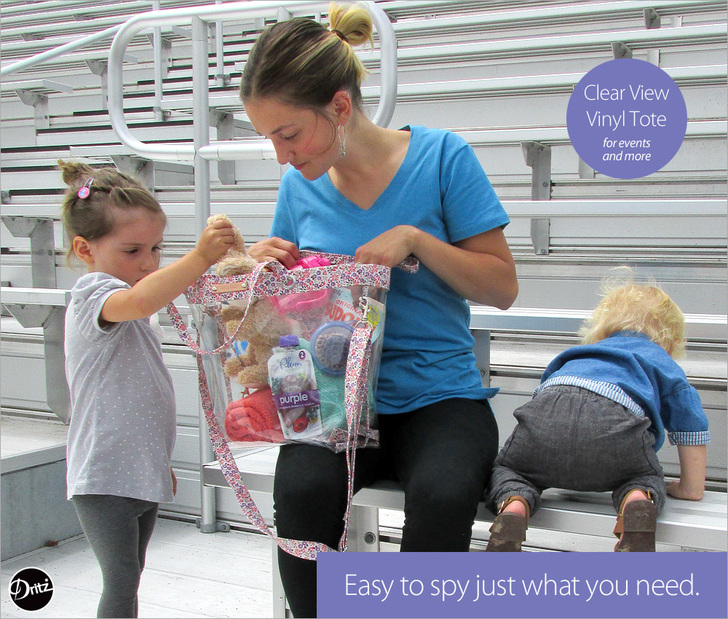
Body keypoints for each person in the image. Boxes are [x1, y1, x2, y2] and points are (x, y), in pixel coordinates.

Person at [239, 3, 518, 616]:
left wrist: (417, 240)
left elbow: (502, 287)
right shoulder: (298, 185)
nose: (282, 156)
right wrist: (262, 269)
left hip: (439, 397)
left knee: (443, 497)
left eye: (289, 134)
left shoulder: (443, 158)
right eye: (269, 140)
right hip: (335, 400)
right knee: (302, 493)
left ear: (340, 107)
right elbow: (285, 319)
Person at [60, 160, 235, 617]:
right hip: (103, 475)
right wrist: (198, 258)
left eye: (156, 248)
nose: (148, 262)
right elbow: (142, 299)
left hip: (137, 470)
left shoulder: (128, 302)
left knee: (131, 575)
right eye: (132, 250)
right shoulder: (93, 296)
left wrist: (156, 462)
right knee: (120, 581)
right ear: (85, 249)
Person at [484, 275, 710, 553]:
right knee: (644, 480)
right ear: (670, 340)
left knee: (510, 472)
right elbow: (690, 423)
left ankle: (514, 506)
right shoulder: (660, 359)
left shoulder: (579, 353)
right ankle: (637, 502)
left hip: (546, 420)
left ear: (602, 327)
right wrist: (690, 487)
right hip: (615, 434)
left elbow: (543, 399)